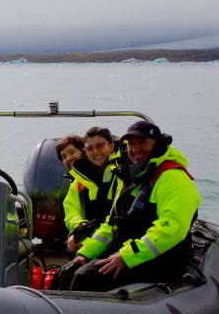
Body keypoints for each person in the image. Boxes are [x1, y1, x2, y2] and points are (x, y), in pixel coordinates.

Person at [61, 121, 199, 292]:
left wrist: (126, 256)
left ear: (156, 144)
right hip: (134, 251)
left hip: (164, 259)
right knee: (68, 272)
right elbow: (111, 225)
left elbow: (171, 229)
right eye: (131, 144)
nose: (135, 149)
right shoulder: (132, 177)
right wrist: (83, 255)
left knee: (85, 278)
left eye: (142, 143)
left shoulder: (174, 178)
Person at [61, 127, 120, 252]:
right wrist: (79, 228)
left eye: (100, 146)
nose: (95, 152)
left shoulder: (124, 172)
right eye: (89, 148)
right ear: (85, 152)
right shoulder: (79, 181)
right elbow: (71, 211)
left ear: (111, 146)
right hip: (89, 241)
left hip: (120, 242)